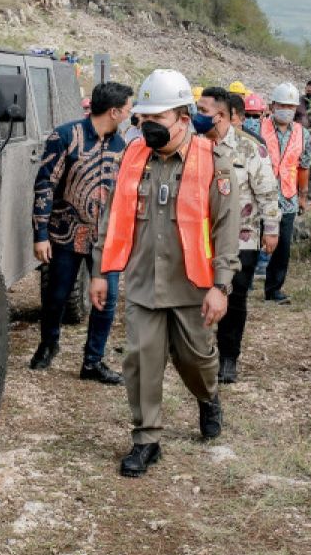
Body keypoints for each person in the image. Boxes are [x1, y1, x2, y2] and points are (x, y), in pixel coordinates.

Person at [90, 69, 240, 478]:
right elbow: (113, 216)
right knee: (140, 360)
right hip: (142, 282)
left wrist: (220, 285)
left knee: (196, 359)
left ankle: (208, 398)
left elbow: (226, 229)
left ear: (183, 119)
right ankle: (146, 439)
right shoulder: (133, 157)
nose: (147, 127)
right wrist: (102, 270)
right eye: (144, 119)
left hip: (192, 283)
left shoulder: (214, 161)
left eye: (158, 120)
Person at [31, 81, 135, 384]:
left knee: (108, 298)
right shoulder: (65, 136)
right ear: (114, 111)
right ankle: (48, 344)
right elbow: (44, 185)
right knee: (57, 295)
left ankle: (92, 361)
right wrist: (40, 233)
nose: (130, 113)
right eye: (128, 109)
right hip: (64, 232)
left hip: (105, 239)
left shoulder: (122, 146)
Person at [196, 87, 280, 383]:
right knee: (199, 292)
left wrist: (271, 229)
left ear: (221, 116)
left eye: (203, 111)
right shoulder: (195, 146)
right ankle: (198, 350)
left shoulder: (249, 148)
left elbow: (268, 192)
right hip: (201, 236)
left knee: (235, 296)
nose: (197, 116)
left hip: (242, 236)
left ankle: (228, 357)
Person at [259, 82, 311, 304]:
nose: (287, 110)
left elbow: (304, 165)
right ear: (273, 106)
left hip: (288, 195)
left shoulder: (303, 134)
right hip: (260, 194)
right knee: (253, 240)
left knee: (283, 246)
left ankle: (273, 289)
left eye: (291, 107)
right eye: (282, 105)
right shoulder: (258, 128)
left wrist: (302, 195)